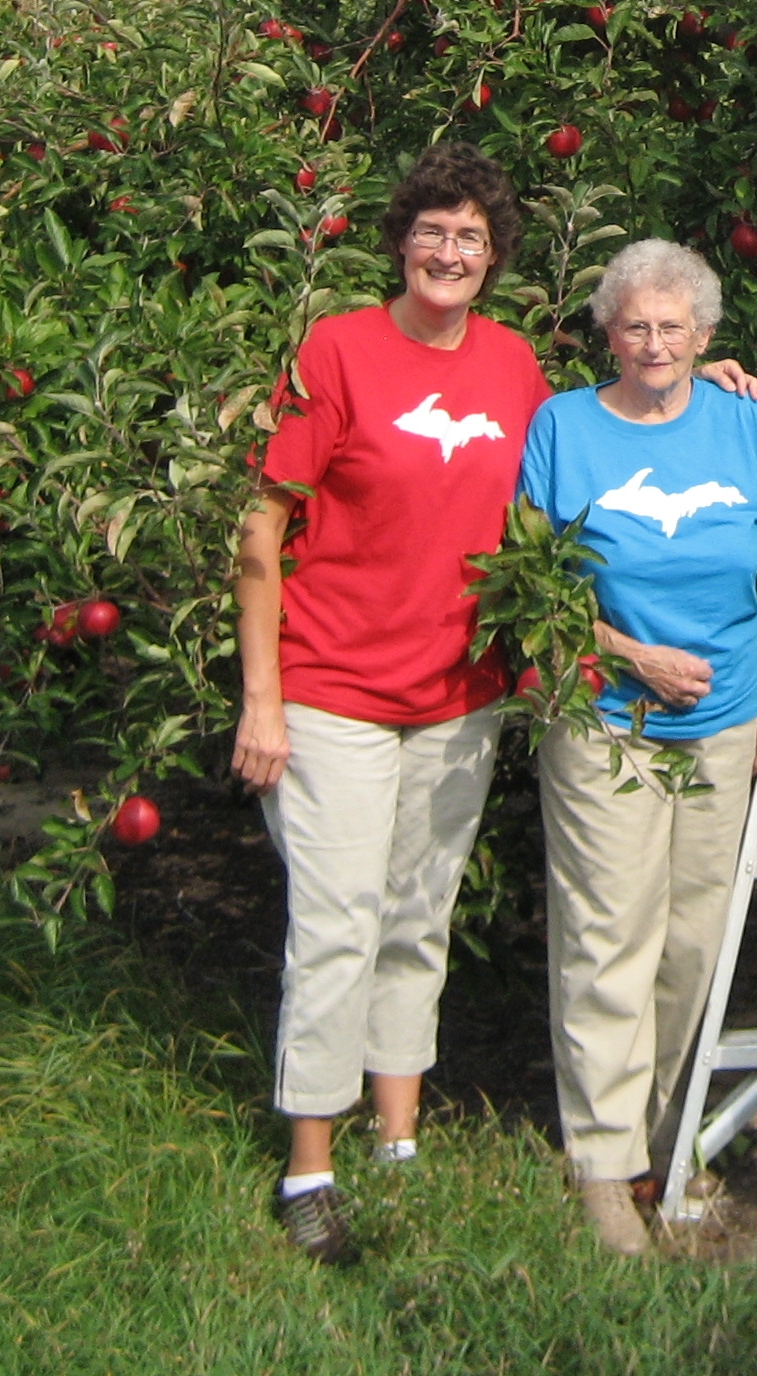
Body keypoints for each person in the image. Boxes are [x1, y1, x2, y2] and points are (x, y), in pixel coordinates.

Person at [234, 141, 549, 1267]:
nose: (449, 252)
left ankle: (398, 1142)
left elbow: (583, 462)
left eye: (471, 237)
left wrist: (694, 381)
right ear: (400, 242)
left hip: (456, 696)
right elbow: (264, 528)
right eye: (432, 231)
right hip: (332, 692)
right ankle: (309, 1166)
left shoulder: (513, 367)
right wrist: (260, 703)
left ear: (495, 257)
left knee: (418, 916)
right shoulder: (340, 350)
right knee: (336, 925)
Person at [515, 239, 757, 1257]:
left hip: (726, 720)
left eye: (671, 327)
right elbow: (535, 582)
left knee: (694, 941)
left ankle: (665, 1136)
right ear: (608, 334)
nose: (652, 343)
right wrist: (630, 655)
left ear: (704, 337)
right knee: (608, 933)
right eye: (633, 326)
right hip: (605, 716)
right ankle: (603, 1164)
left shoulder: (749, 429)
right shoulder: (562, 428)